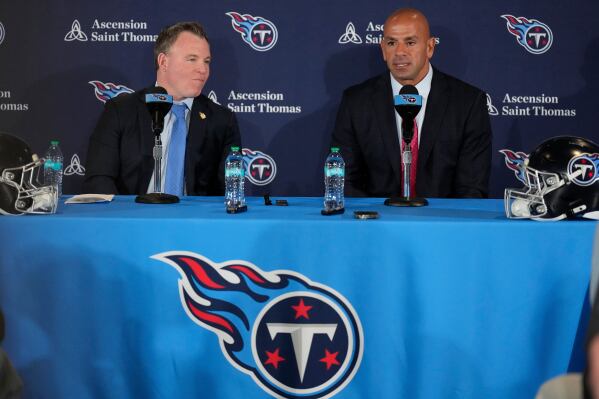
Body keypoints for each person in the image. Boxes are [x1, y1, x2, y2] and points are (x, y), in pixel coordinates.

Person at [331, 8, 492, 198]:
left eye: (410, 42)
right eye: (391, 43)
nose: (400, 52)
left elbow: (472, 188)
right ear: (383, 49)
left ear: (430, 47)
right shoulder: (356, 102)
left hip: (443, 223)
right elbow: (345, 180)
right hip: (376, 221)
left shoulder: (468, 103)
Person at [83, 22, 241, 196]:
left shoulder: (222, 120)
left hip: (194, 221)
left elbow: (230, 190)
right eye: (192, 59)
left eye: (207, 61)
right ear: (163, 62)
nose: (203, 69)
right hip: (133, 218)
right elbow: (99, 179)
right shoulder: (120, 111)